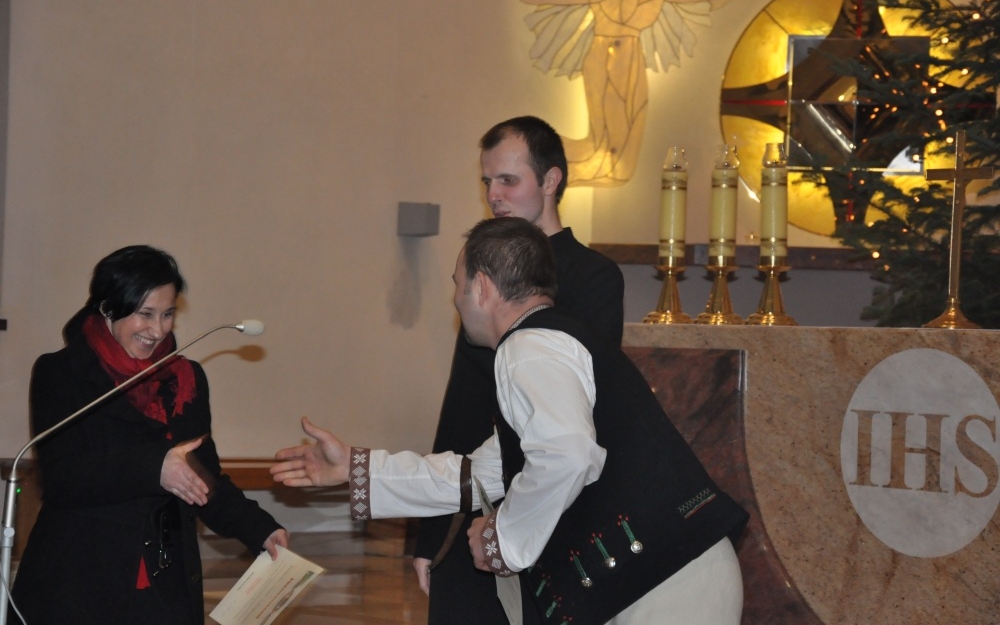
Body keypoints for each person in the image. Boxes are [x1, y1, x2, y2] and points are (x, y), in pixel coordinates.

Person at [271, 217, 749, 625]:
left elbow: (568, 454)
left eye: (457, 283)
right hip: (664, 575)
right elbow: (480, 474)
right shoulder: (549, 342)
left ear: (482, 287)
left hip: (664, 582)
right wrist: (354, 467)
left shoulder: (527, 348)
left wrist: (502, 539)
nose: (456, 299)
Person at [413, 116, 624, 624]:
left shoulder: (593, 275)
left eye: (509, 180)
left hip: (549, 509)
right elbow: (462, 405)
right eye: (487, 181)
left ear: (551, 180)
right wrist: (430, 533)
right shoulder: (484, 265)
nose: (494, 194)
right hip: (470, 502)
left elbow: (584, 416)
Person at [9, 246, 288, 625]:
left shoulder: (186, 379)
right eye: (145, 314)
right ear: (108, 308)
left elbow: (203, 480)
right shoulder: (62, 372)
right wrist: (154, 468)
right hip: (81, 581)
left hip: (164, 584)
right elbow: (64, 477)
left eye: (167, 314)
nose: (158, 330)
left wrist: (259, 528)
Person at [521, 0, 772, 186]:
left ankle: (553, 162)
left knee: (631, 123)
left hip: (630, 57)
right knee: (604, 137)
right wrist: (540, 0)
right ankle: (542, 160)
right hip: (604, 56)